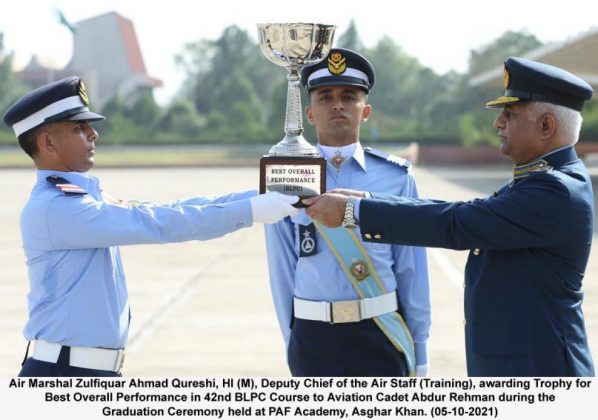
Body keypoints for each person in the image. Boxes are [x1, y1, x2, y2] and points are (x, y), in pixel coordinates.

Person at [305, 57, 595, 377]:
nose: (498, 123)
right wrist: (367, 199)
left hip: (542, 373)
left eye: (509, 114)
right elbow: (464, 212)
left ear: (546, 126)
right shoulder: (542, 181)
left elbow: (457, 223)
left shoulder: (553, 190)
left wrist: (353, 212)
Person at [3, 76, 299, 377]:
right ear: (48, 142)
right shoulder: (57, 207)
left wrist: (258, 196)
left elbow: (168, 210)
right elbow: (157, 225)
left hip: (87, 370)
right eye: (79, 128)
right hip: (63, 373)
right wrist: (251, 211)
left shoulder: (79, 197)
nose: (93, 134)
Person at [264, 48, 431, 377]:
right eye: (325, 96)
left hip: (382, 334)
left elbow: (412, 271)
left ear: (365, 110)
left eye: (349, 96)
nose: (337, 104)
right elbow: (281, 269)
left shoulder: (397, 178)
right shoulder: (285, 176)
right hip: (313, 338)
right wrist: (292, 340)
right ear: (309, 113)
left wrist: (420, 353)